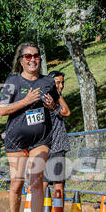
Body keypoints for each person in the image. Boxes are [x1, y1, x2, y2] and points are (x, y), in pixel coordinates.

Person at [0, 43, 59, 212]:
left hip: (41, 138)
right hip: (16, 139)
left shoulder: (48, 81)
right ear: (21, 60)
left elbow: (57, 106)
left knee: (36, 179)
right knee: (17, 183)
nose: (33, 59)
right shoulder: (12, 81)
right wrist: (26, 100)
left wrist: (52, 106)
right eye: (28, 56)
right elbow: (2, 110)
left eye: (36, 56)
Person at [43, 71, 71, 203]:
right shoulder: (50, 99)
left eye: (62, 82)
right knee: (50, 183)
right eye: (57, 82)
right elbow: (67, 112)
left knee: (54, 182)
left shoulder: (50, 98)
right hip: (50, 146)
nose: (61, 86)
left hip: (54, 146)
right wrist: (57, 95)